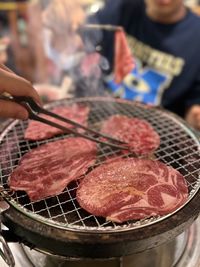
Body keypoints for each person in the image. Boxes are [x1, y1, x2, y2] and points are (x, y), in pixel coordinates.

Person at [86, 0, 200, 130]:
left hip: (154, 130)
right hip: (98, 111)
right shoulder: (121, 8)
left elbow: (195, 104)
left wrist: (195, 115)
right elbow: (81, 40)